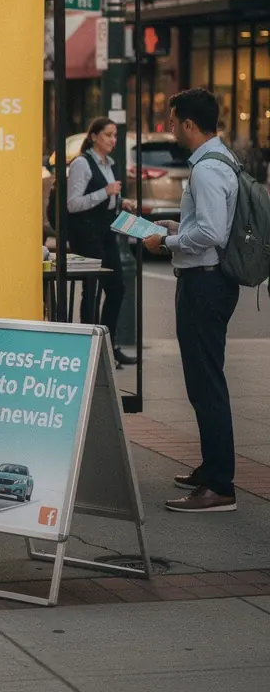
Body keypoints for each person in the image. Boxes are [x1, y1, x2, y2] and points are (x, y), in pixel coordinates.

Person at [144, 88, 240, 514]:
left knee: (206, 385)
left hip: (205, 283)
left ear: (187, 123)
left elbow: (213, 235)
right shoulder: (222, 160)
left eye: (171, 119)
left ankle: (220, 486)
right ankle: (212, 468)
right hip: (208, 280)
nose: (168, 126)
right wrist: (177, 224)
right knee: (204, 383)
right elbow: (208, 224)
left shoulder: (205, 170)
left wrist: (166, 240)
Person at [66, 117, 138, 368]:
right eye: (107, 135)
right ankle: (88, 349)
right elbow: (73, 204)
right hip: (86, 233)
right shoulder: (82, 164)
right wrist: (105, 193)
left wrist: (120, 201)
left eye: (115, 135)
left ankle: (108, 344)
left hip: (106, 232)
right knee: (92, 290)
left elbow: (107, 197)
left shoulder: (111, 164)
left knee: (117, 288)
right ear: (94, 136)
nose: (112, 140)